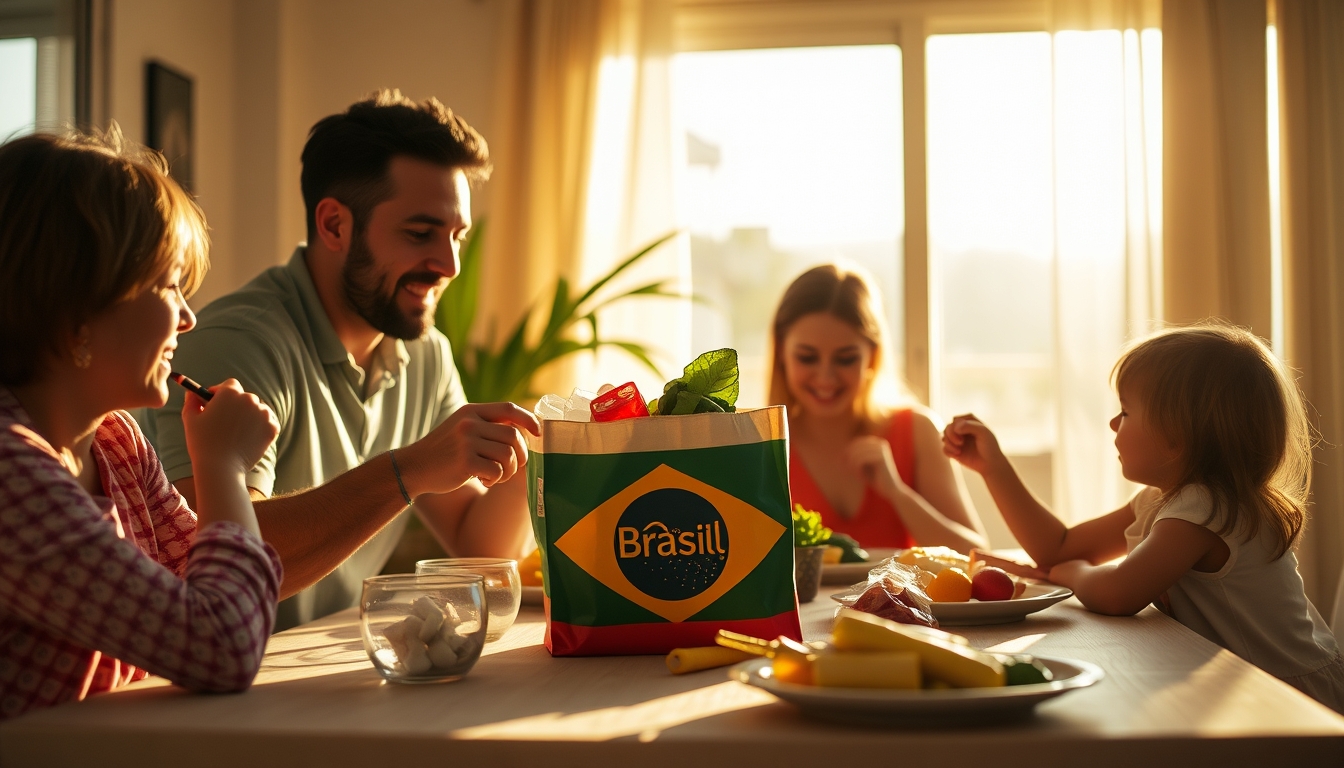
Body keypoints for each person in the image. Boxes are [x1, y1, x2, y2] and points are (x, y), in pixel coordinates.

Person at [146, 90, 538, 632]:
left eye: (457, 237)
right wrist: (409, 470)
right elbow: (219, 557)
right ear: (334, 225)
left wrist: (536, 451)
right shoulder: (237, 343)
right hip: (228, 665)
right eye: (420, 234)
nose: (449, 264)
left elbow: (477, 543)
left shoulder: (426, 353)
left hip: (322, 663)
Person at [0, 130, 283, 719]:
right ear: (79, 308)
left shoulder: (116, 441)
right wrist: (224, 466)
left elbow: (208, 588)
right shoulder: (10, 474)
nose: (188, 318)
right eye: (170, 285)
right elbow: (225, 643)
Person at [943, 323, 1344, 712]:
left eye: (1125, 412)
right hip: (1244, 688)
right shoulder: (1163, 500)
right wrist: (993, 468)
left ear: (1178, 435)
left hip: (1292, 699)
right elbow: (1058, 547)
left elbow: (1117, 594)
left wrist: (1072, 573)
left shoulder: (1207, 506)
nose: (1112, 423)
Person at [768, 264, 987, 552]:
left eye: (846, 359)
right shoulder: (762, 444)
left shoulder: (918, 431)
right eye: (807, 358)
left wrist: (897, 493)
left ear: (872, 356)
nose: (825, 377)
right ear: (781, 353)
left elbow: (977, 554)